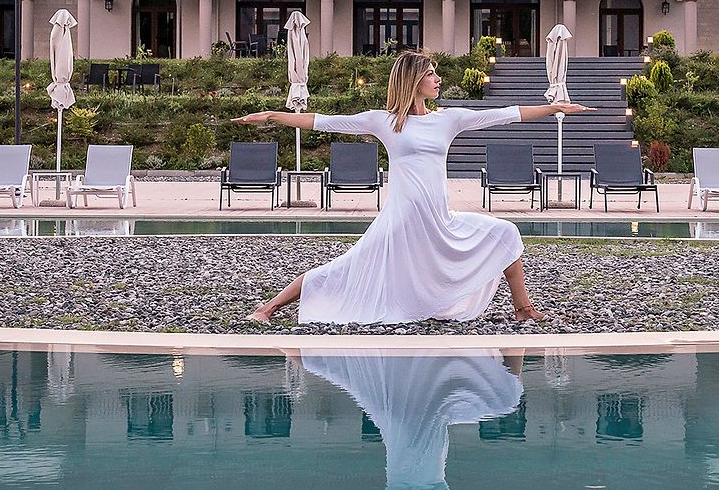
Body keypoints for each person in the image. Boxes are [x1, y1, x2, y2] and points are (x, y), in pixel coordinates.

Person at [232, 51, 593, 324]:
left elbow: (505, 114)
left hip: (440, 220)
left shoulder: (448, 120)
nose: (437, 79)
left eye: (436, 73)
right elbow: (322, 121)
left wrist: (553, 108)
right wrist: (272, 115)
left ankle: (524, 309)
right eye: (431, 74)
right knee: (343, 268)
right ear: (413, 81)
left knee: (505, 233)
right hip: (401, 221)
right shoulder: (384, 122)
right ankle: (268, 308)